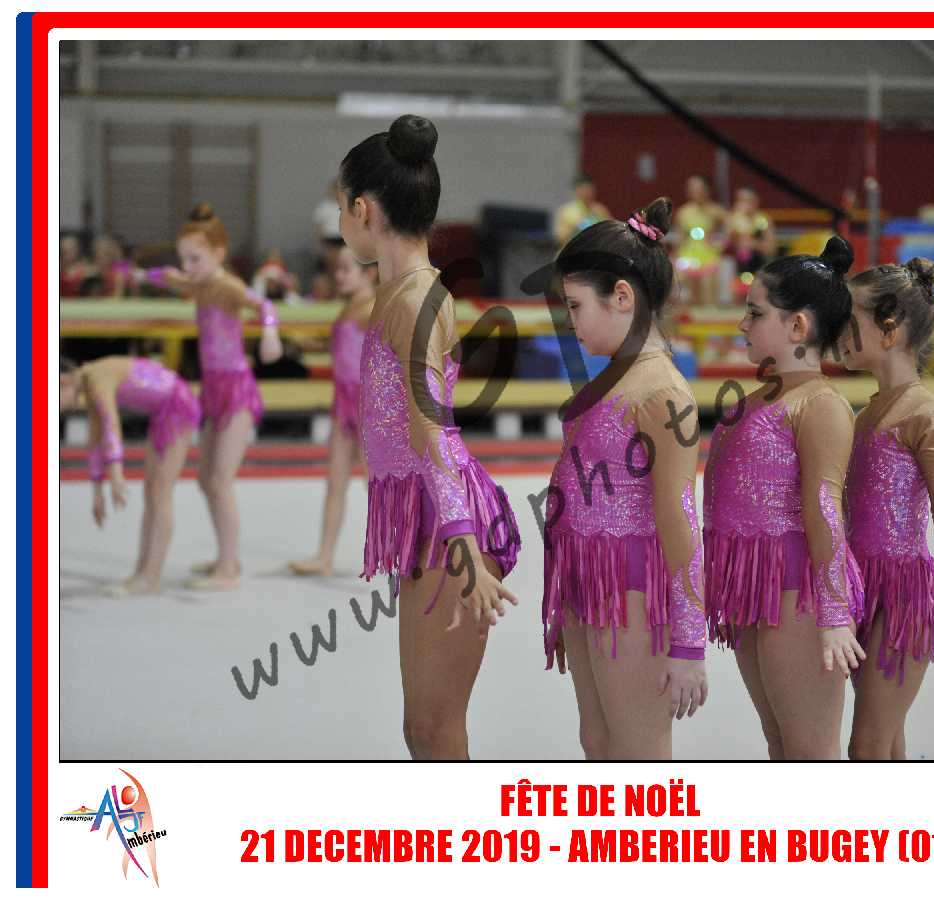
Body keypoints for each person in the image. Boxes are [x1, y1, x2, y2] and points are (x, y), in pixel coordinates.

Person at [341, 114, 522, 760]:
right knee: (423, 731)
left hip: (450, 521)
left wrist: (463, 541)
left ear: (362, 209)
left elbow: (432, 428)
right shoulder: (399, 291)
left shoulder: (416, 298)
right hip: (432, 515)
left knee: (436, 730)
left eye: (340, 206)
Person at [543, 196, 707, 760]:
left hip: (629, 586)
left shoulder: (661, 390)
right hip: (589, 575)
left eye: (575, 306)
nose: (570, 322)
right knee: (598, 743)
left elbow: (681, 516)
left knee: (637, 752)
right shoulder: (619, 374)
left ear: (622, 297)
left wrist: (689, 640)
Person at [704, 235, 866, 760]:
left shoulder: (820, 404)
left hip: (802, 591)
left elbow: (826, 507)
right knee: (779, 746)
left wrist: (835, 612)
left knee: (810, 752)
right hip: (755, 584)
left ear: (797, 326)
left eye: (755, 313)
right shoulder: (755, 402)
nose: (742, 324)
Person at [838, 259, 934, 761]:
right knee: (886, 746)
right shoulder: (864, 415)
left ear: (890, 330)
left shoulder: (924, 414)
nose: (838, 333)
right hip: (862, 588)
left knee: (867, 748)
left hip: (904, 597)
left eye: (849, 321)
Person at [133, 203, 284, 589]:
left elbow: (264, 305)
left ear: (219, 253)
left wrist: (269, 334)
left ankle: (229, 568)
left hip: (236, 390)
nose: (187, 266)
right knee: (205, 478)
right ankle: (224, 556)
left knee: (219, 479)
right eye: (183, 258)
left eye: (194, 258)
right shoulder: (197, 282)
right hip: (213, 389)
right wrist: (142, 274)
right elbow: (171, 278)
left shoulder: (227, 286)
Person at [61, 356, 201, 595]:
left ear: (62, 381)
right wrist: (97, 491)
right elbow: (96, 437)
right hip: (164, 410)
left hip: (177, 404)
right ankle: (142, 572)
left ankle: (150, 576)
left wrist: (116, 475)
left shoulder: (97, 378)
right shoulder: (89, 381)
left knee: (160, 492)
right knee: (152, 492)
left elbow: (111, 425)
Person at [289, 247, 376, 576]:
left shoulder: (373, 308)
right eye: (336, 270)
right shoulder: (348, 307)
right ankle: (324, 556)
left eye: (345, 270)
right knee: (334, 481)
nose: (338, 276)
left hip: (368, 404)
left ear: (369, 273)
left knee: (377, 485)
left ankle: (408, 556)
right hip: (343, 402)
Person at [673, 174, 726, 307]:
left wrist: (720, 244)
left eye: (698, 188)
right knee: (690, 297)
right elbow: (680, 239)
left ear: (707, 189)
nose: (694, 191)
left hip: (709, 256)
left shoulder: (716, 211)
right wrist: (676, 257)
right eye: (691, 188)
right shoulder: (683, 212)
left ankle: (709, 316)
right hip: (688, 256)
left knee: (708, 294)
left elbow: (729, 230)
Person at [725, 186, 777, 301]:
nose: (743, 204)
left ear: (756, 201)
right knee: (738, 303)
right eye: (740, 200)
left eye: (747, 200)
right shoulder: (734, 219)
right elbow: (728, 243)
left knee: (757, 303)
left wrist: (754, 244)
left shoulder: (763, 220)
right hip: (739, 271)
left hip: (758, 271)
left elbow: (771, 248)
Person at [553, 174, 611, 247]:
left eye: (589, 190)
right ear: (577, 191)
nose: (587, 193)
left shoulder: (600, 209)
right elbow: (560, 238)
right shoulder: (566, 211)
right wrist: (577, 228)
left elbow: (611, 230)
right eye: (584, 190)